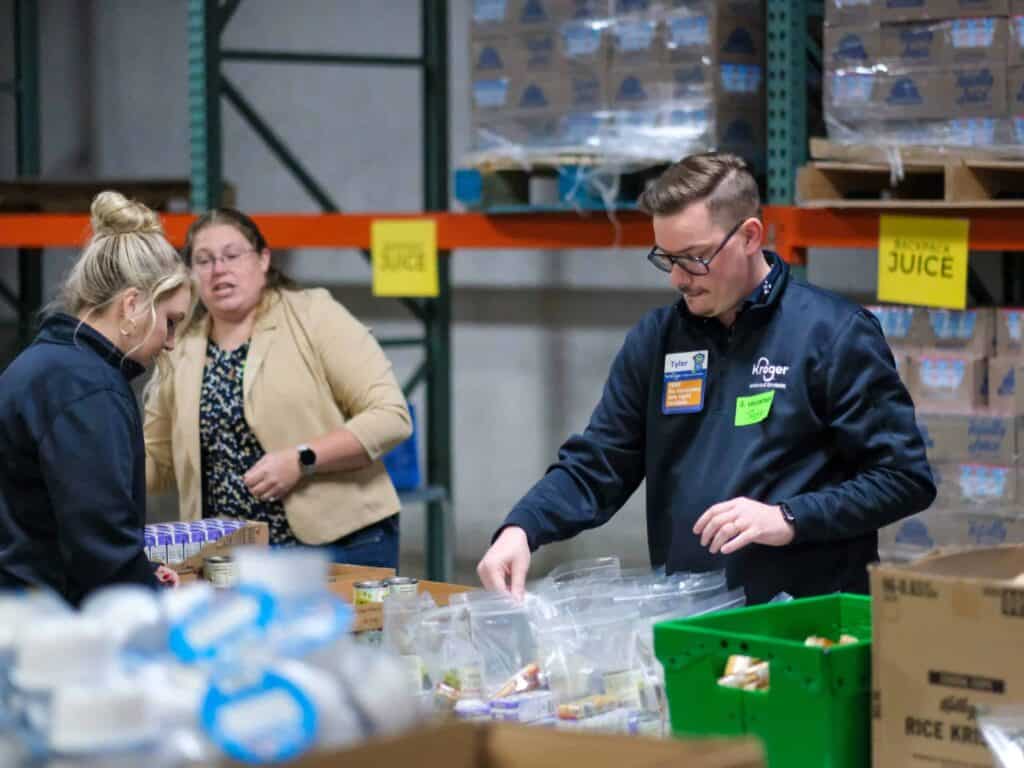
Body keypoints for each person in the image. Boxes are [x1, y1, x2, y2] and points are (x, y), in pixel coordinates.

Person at [477, 152, 936, 604]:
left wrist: (789, 517)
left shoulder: (832, 335)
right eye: (666, 258)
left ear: (750, 236)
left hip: (805, 623)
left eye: (695, 258)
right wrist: (523, 527)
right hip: (693, 617)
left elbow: (903, 478)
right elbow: (600, 462)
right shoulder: (657, 340)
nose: (679, 278)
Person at [144, 208, 412, 567]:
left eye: (231, 255)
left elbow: (391, 417)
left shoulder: (313, 315)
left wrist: (302, 459)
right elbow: (155, 457)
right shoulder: (180, 347)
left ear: (263, 259)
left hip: (340, 543)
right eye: (203, 260)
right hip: (228, 555)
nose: (219, 269)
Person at [0, 191, 191, 605]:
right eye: (171, 322)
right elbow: (100, 545)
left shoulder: (44, 364)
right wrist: (154, 600)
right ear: (133, 305)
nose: (172, 342)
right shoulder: (87, 388)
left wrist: (140, 571)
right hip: (53, 625)